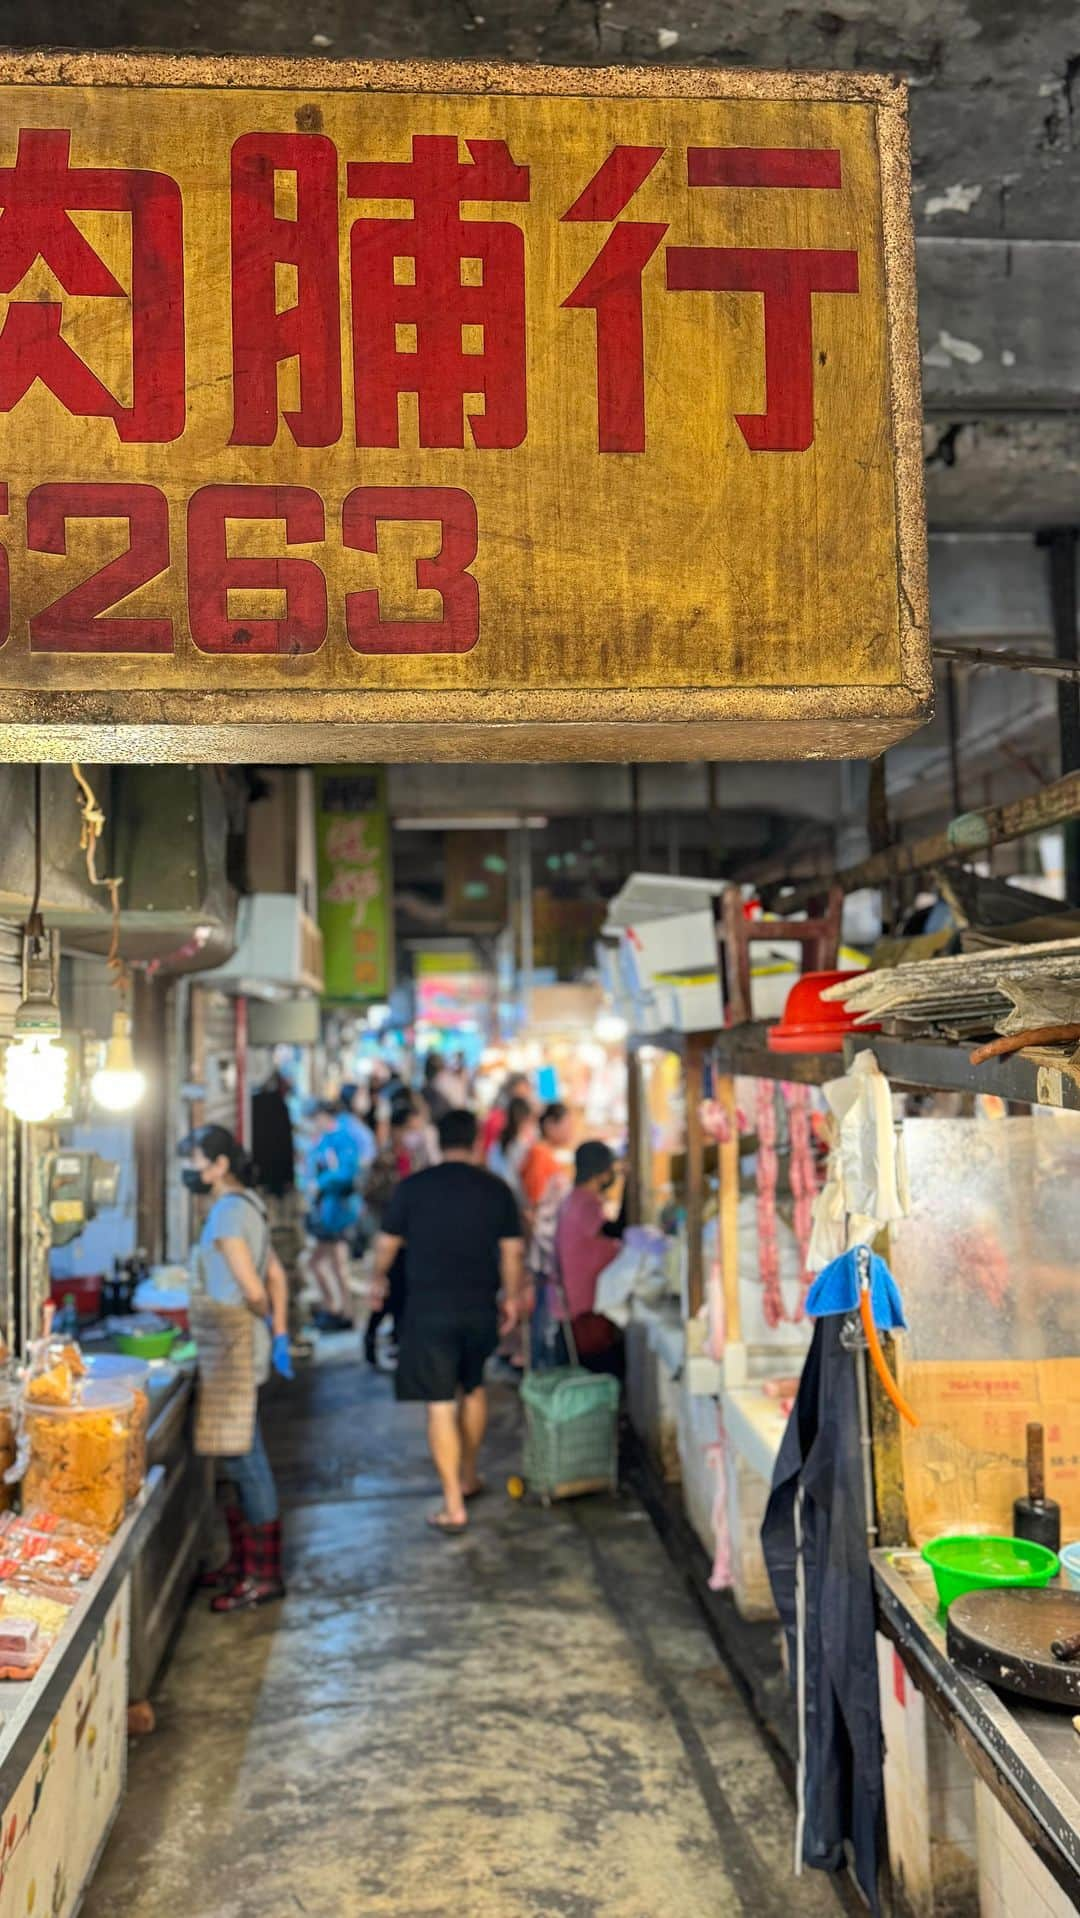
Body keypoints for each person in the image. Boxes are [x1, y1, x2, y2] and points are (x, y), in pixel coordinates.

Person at [371, 1109, 526, 1534]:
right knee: (474, 1389)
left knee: (440, 1402)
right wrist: (511, 1299)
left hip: (426, 1309)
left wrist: (377, 1281)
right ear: (478, 1141)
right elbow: (512, 1252)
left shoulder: (413, 1188)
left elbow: (386, 1246)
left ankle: (453, 1504)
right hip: (478, 1305)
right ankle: (469, 1473)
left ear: (439, 1140)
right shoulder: (497, 1190)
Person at [180, 1124, 292, 1613]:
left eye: (195, 1161)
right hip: (247, 1345)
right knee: (237, 1456)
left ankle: (262, 1576)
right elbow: (276, 1273)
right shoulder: (249, 1203)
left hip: (234, 1348)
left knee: (246, 1460)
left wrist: (259, 1316)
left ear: (219, 1165)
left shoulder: (226, 1212)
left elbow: (254, 1286)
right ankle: (241, 1564)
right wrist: (280, 1330)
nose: (190, 1171)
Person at [553, 1141, 626, 1375]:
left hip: (575, 1302)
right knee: (599, 1369)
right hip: (584, 1307)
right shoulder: (585, 1203)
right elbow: (618, 1229)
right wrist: (630, 1185)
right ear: (602, 1173)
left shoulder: (574, 1199)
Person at [303, 1101, 361, 1331]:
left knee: (330, 1263)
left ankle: (341, 1310)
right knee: (330, 1264)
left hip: (338, 1212)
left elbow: (346, 1172)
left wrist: (320, 1184)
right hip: (327, 1211)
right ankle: (337, 1309)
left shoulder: (340, 1139)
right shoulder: (324, 1140)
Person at [486, 1095, 536, 1205]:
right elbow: (514, 1182)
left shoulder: (496, 1146)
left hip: (495, 1198)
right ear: (525, 1120)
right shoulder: (522, 1147)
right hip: (514, 1202)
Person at [481, 1071, 532, 1159]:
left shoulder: (516, 1113)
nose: (528, 1092)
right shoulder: (499, 1116)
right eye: (525, 1088)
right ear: (514, 1089)